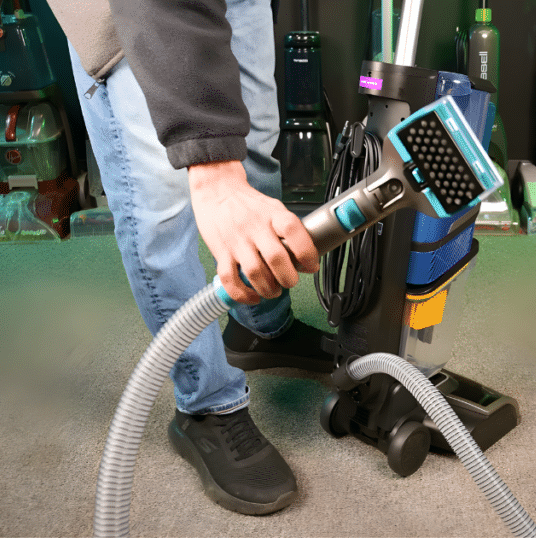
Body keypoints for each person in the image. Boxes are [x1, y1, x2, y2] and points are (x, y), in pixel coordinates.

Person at [47, 0, 334, 516]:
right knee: (159, 203)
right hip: (129, 14)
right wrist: (214, 171)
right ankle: (207, 405)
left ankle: (260, 328)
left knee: (256, 150)